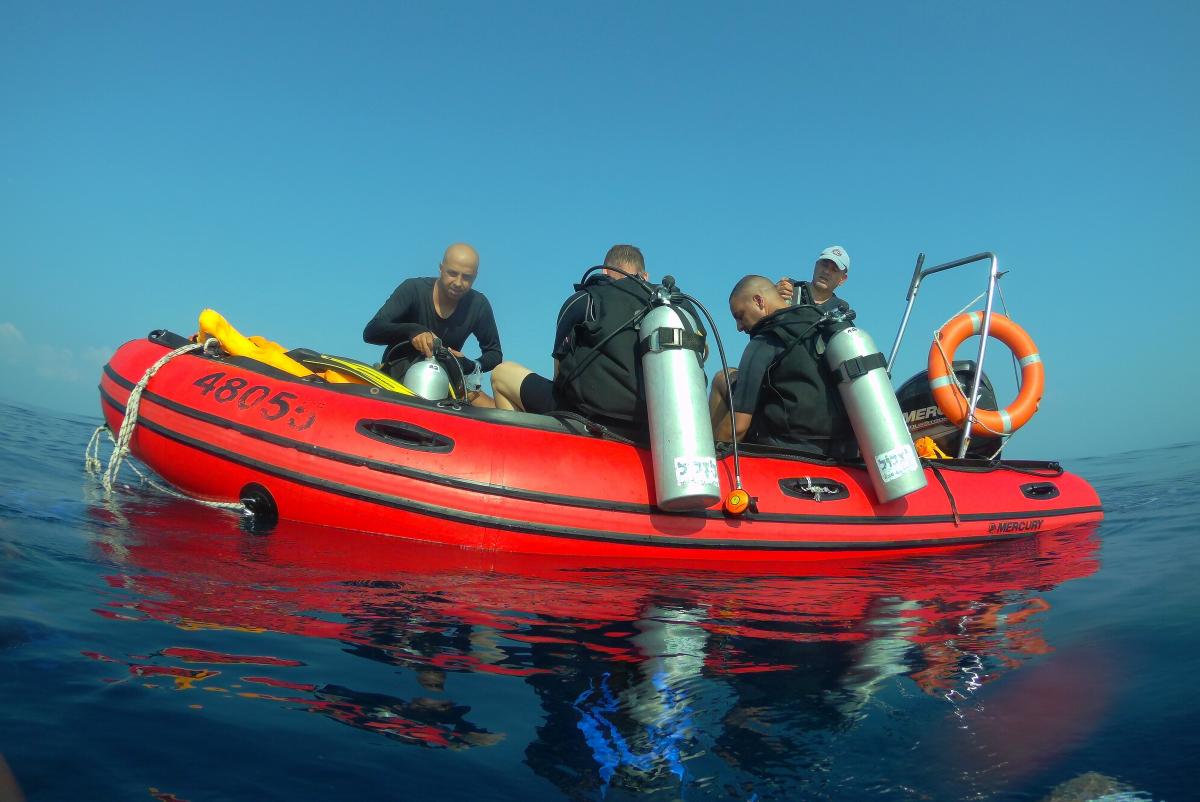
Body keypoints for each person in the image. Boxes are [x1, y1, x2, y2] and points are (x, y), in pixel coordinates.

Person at [493, 244, 688, 438]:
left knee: (502, 374)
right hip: (659, 424)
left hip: (590, 420)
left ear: (605, 271)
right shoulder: (676, 304)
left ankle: (520, 456)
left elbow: (559, 373)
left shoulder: (583, 300)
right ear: (645, 276)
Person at [710, 245, 854, 455]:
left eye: (739, 315)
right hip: (835, 448)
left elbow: (738, 427)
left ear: (760, 301)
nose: (739, 327)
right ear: (816, 265)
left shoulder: (765, 340)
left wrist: (710, 456)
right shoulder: (833, 323)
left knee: (721, 378)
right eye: (824, 264)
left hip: (783, 445)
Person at [363, 242, 502, 406]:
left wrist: (470, 365)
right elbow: (371, 331)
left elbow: (494, 354)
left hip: (447, 379)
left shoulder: (478, 304)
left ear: (475, 276)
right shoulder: (413, 289)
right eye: (452, 273)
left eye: (467, 277)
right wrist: (413, 330)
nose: (458, 282)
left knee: (497, 410)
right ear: (441, 268)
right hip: (397, 375)